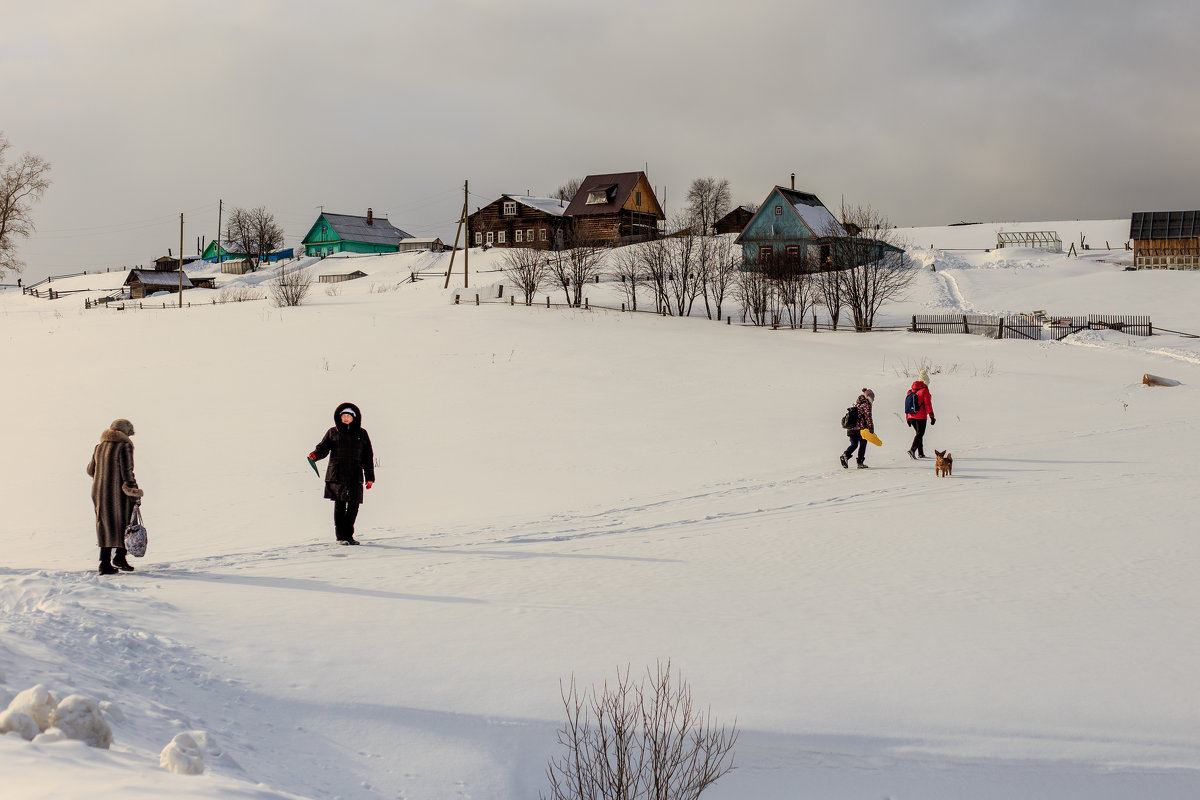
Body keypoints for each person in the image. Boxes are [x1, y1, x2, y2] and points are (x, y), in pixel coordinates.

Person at [309, 403, 375, 545]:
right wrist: (315, 455)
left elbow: (367, 456)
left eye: (348, 416)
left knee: (353, 506)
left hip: (355, 475)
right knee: (340, 505)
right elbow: (323, 448)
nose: (345, 418)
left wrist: (369, 477)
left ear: (354, 417)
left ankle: (349, 536)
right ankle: (341, 537)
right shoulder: (333, 432)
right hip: (337, 474)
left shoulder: (362, 433)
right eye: (343, 416)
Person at [87, 419, 143, 575]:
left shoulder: (99, 447)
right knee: (124, 523)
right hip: (118, 492)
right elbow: (127, 472)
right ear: (126, 433)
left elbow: (91, 470)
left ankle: (104, 562)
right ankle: (119, 558)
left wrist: (102, 476)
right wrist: (134, 492)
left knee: (105, 524)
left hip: (99, 492)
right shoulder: (124, 446)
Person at [840, 388, 875, 469]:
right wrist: (871, 427)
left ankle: (845, 455)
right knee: (863, 444)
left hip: (851, 428)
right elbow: (868, 417)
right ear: (868, 396)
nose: (874, 399)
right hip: (860, 429)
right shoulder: (866, 404)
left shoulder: (857, 404)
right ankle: (860, 462)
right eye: (873, 396)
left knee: (854, 444)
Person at [905, 369, 936, 459]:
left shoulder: (910, 391)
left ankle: (921, 453)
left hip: (911, 416)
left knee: (918, 434)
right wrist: (932, 416)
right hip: (921, 416)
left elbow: (907, 405)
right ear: (926, 381)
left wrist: (907, 418)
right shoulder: (925, 390)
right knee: (920, 433)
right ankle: (912, 450)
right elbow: (928, 404)